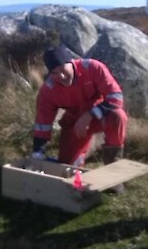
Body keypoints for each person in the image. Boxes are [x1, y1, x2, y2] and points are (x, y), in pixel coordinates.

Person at [32, 43, 128, 190]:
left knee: (118, 116)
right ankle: (90, 146)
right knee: (67, 168)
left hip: (99, 117)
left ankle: (113, 174)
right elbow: (42, 123)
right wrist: (38, 152)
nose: (61, 76)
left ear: (71, 62)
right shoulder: (48, 91)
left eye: (63, 70)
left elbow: (115, 97)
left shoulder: (93, 68)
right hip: (74, 124)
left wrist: (90, 114)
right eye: (55, 73)